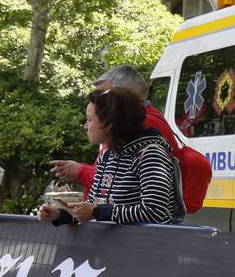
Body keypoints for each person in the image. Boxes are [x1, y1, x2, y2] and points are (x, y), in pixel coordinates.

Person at [50, 65, 208, 214]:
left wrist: (80, 173)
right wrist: (63, 215)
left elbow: (150, 209)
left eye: (104, 96)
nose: (85, 125)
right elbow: (101, 198)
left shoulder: (148, 141)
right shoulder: (114, 148)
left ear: (124, 96)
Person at [39, 88, 181, 228]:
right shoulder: (107, 155)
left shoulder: (150, 154)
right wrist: (58, 215)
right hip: (113, 249)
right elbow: (94, 210)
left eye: (89, 119)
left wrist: (96, 212)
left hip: (144, 248)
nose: (85, 126)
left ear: (108, 124)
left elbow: (155, 211)